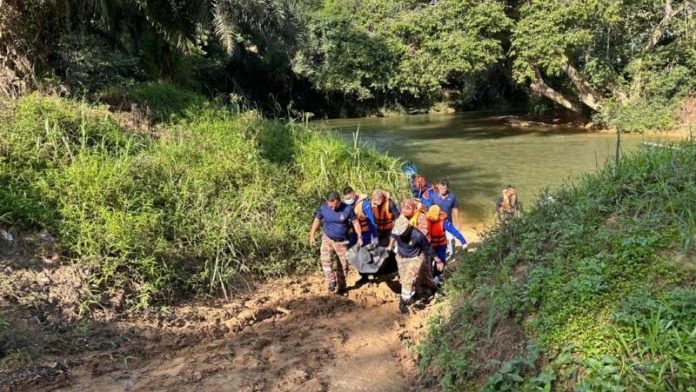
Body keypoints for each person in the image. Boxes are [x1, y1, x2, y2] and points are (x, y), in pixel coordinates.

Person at [309, 191, 363, 294]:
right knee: (325, 261)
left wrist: (360, 236)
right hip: (327, 239)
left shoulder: (348, 209)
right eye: (330, 206)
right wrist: (312, 235)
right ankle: (331, 282)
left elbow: (356, 223)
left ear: (339, 201)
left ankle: (342, 288)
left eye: (334, 206)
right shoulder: (324, 207)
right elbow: (317, 220)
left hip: (342, 242)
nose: (332, 208)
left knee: (343, 266)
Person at [389, 216, 436, 314]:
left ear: (408, 228)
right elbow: (393, 235)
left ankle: (403, 303)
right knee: (404, 280)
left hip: (415, 257)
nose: (400, 235)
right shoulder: (397, 229)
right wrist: (390, 246)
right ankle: (412, 294)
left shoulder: (418, 235)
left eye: (402, 233)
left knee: (408, 279)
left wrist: (438, 260)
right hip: (401, 257)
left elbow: (428, 248)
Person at [425, 205, 467, 286]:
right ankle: (431, 278)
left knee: (440, 263)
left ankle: (437, 279)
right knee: (429, 264)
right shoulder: (426, 220)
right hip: (432, 247)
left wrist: (463, 242)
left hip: (440, 246)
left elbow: (454, 231)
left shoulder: (444, 222)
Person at [427, 179, 461, 258]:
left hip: (448, 222)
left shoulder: (452, 196)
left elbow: (455, 209)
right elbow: (429, 209)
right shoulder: (433, 196)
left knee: (451, 239)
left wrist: (458, 223)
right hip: (436, 223)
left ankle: (452, 254)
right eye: (441, 188)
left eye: (444, 188)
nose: (442, 190)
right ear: (438, 186)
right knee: (438, 241)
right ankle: (438, 254)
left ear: (447, 188)